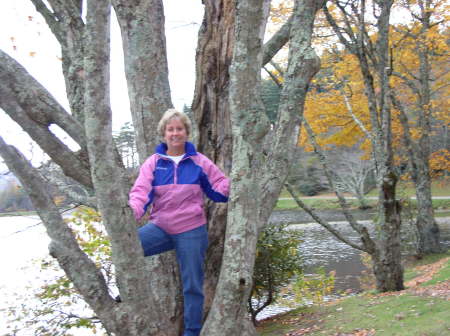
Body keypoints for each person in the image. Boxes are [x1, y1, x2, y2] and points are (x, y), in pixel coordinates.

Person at [128, 108, 230, 336]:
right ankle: (127, 298)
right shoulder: (153, 163)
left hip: (192, 230)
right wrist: (131, 213)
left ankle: (191, 332)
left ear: (186, 132)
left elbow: (219, 189)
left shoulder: (199, 161)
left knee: (192, 285)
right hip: (160, 228)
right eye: (170, 129)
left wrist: (237, 182)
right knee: (126, 250)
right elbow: (140, 194)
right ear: (163, 134)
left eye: (179, 129)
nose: (175, 133)